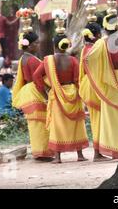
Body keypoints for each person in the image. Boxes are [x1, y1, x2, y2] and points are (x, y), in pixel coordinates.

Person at [83, 14, 118, 159]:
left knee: (113, 119)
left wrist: (102, 72)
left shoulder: (102, 44)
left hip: (109, 84)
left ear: (105, 28)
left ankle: (116, 151)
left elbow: (87, 59)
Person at [33, 33, 88, 164]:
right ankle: (79, 154)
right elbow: (77, 79)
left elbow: (36, 75)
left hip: (57, 95)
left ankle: (57, 157)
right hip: (72, 93)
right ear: (66, 45)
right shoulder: (73, 60)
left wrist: (46, 89)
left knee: (57, 125)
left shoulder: (48, 61)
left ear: (54, 45)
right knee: (76, 124)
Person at [12, 31, 53, 161]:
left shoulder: (23, 58)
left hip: (28, 91)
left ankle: (38, 152)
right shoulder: (32, 60)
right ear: (29, 46)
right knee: (41, 125)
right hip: (35, 92)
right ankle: (43, 153)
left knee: (35, 125)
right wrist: (46, 95)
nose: (38, 45)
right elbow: (39, 79)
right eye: (36, 43)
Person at [79, 22, 110, 162]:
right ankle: (97, 153)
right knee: (98, 120)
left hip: (88, 85)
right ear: (97, 35)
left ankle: (99, 151)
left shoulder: (85, 48)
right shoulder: (95, 49)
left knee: (95, 120)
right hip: (95, 86)